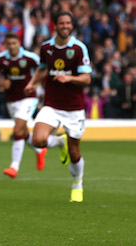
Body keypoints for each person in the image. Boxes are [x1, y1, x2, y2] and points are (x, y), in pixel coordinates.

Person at [24, 12, 92, 203]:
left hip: (74, 108)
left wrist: (69, 77)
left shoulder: (79, 48)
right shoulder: (46, 47)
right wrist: (33, 83)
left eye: (68, 23)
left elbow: (87, 78)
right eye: (62, 23)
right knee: (37, 140)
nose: (65, 26)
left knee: (75, 153)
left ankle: (77, 183)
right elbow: (43, 68)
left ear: (72, 25)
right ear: (56, 25)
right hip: (52, 105)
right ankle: (59, 142)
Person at [0, 32, 47, 179]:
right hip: (11, 100)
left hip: (28, 98)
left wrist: (34, 84)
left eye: (14, 43)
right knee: (23, 132)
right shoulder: (1, 60)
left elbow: (43, 70)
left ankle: (14, 167)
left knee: (17, 130)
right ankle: (40, 151)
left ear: (19, 43)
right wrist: (2, 83)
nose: (12, 46)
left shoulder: (30, 58)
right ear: (6, 45)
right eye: (9, 44)